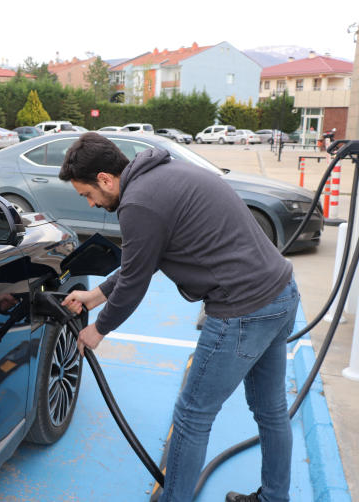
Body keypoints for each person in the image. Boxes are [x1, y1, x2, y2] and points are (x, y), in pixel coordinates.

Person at [59, 133, 299, 502]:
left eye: (87, 194)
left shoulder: (138, 203)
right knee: (272, 410)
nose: (90, 203)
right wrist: (96, 295)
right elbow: (145, 259)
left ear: (105, 179)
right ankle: (274, 498)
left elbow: (134, 281)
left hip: (243, 310)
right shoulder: (166, 173)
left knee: (192, 415)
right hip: (281, 293)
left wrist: (99, 329)